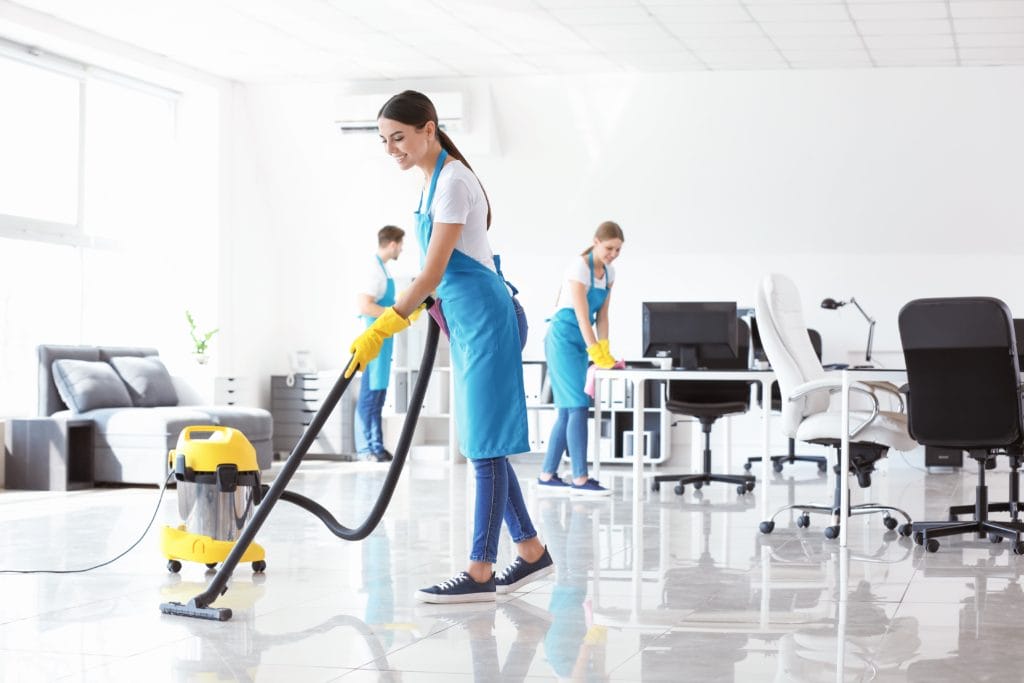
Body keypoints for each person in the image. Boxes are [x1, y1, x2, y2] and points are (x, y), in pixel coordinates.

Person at [345, 89, 552, 604]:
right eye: (385, 140)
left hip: (487, 319)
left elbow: (435, 270)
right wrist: (422, 308)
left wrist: (384, 325)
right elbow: (435, 274)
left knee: (482, 448)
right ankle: (530, 553)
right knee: (486, 444)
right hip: (466, 320)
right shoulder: (429, 184)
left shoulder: (454, 181)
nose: (392, 148)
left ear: (429, 129)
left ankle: (480, 571)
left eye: (400, 137)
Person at [538, 222, 624, 496]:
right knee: (577, 405)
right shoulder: (579, 267)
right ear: (596, 241)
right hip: (563, 337)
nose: (613, 254)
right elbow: (580, 314)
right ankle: (580, 478)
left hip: (582, 340)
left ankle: (547, 474)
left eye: (618, 250)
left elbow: (603, 316)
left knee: (567, 409)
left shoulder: (609, 273)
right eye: (609, 247)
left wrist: (605, 349)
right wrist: (594, 351)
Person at [354, 225, 405, 462]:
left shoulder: (383, 269)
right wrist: (391, 315)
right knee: (369, 395)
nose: (401, 249)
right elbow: (365, 306)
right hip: (374, 339)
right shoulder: (373, 270)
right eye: (401, 244)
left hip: (384, 341)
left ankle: (377, 446)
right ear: (393, 244)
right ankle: (366, 448)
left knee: (378, 396)